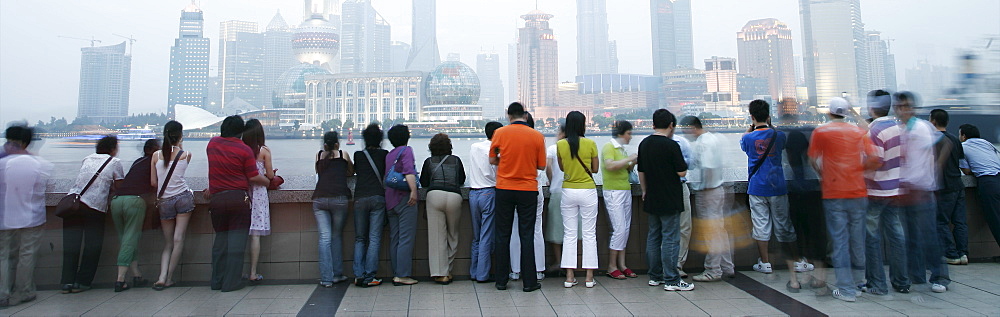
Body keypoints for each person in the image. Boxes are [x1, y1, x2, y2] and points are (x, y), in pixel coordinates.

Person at [808, 97, 879, 302]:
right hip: (858, 191)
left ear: (829, 112)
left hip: (834, 192)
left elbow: (813, 159)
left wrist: (823, 173)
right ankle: (860, 282)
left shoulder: (821, 132)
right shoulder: (858, 132)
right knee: (858, 239)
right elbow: (874, 158)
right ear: (846, 113)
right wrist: (859, 170)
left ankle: (846, 289)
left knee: (839, 241)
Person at [740, 100, 804, 290]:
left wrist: (751, 127)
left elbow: (744, 143)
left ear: (751, 116)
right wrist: (770, 125)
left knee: (761, 225)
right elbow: (780, 143)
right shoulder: (779, 136)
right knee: (784, 224)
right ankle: (796, 260)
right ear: (768, 116)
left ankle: (765, 262)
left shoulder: (748, 138)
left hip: (757, 187)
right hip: (777, 186)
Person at [894, 91, 950, 293]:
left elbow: (946, 144)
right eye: (899, 106)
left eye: (906, 105)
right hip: (905, 192)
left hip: (923, 191)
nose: (903, 109)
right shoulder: (900, 130)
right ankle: (916, 276)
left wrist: (932, 172)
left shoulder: (922, 127)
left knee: (929, 237)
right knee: (910, 238)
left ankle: (940, 277)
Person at [206, 115, 269, 292]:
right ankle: (231, 282)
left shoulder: (212, 144)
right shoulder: (244, 150)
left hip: (217, 200)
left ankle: (217, 280)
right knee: (236, 243)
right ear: (240, 132)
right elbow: (253, 176)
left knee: (220, 242)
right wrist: (267, 181)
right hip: (238, 200)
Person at [490, 102, 546, 292]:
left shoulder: (499, 133)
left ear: (508, 115)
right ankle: (530, 282)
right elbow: (541, 165)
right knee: (527, 235)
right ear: (524, 114)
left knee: (502, 235)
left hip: (504, 188)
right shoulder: (537, 136)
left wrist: (504, 160)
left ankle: (501, 280)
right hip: (528, 189)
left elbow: (492, 159)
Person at [61, 136, 124, 294]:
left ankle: (67, 282)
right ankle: (82, 282)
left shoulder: (87, 158)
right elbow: (120, 187)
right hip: (94, 207)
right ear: (113, 148)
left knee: (71, 246)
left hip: (73, 204)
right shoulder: (114, 162)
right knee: (92, 246)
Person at [861, 90, 910, 295]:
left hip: (876, 191)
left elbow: (875, 160)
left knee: (871, 238)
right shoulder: (901, 129)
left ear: (871, 108)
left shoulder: (873, 132)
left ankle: (877, 284)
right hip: (896, 190)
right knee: (896, 235)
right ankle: (901, 282)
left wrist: (857, 170)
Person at [639, 109, 693, 291]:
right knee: (670, 237)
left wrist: (645, 191)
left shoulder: (644, 144)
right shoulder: (672, 145)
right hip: (670, 196)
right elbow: (682, 172)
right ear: (671, 125)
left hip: (652, 195)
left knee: (653, 236)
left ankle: (655, 276)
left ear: (653, 124)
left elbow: (641, 171)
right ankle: (672, 279)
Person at [0, 125, 52, 307]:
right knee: (27, 254)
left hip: (4, 217)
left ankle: (3, 293)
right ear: (26, 142)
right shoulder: (40, 164)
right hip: (31, 217)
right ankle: (23, 291)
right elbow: (45, 187)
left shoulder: (2, 162)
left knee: (3, 255)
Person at [680, 116, 734, 282]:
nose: (685, 135)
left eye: (685, 130)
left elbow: (708, 167)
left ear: (692, 127)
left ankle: (713, 270)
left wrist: (705, 187)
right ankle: (727, 265)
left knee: (711, 232)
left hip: (709, 191)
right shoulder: (714, 138)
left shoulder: (704, 143)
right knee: (719, 230)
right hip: (718, 190)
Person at [108, 139, 159, 292]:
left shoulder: (138, 161)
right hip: (134, 201)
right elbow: (155, 183)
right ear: (153, 150)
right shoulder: (155, 162)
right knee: (130, 239)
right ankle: (120, 279)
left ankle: (137, 275)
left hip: (117, 201)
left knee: (126, 238)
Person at [556, 111, 600, 288]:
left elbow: (561, 167)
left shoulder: (560, 145)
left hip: (568, 191)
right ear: (583, 125)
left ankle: (569, 276)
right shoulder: (590, 143)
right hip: (587, 191)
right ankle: (589, 277)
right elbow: (595, 169)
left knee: (570, 234)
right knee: (589, 234)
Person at [152, 121, 194, 291]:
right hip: (183, 197)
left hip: (164, 201)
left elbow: (154, 182)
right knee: (179, 239)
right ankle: (170, 277)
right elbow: (179, 158)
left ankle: (161, 277)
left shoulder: (155, 156)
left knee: (168, 243)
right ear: (180, 135)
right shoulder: (186, 155)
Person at [420, 133, 467, 284]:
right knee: (453, 235)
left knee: (436, 237)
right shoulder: (456, 160)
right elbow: (461, 180)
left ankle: (440, 273)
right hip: (454, 196)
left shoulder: (428, 162)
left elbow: (424, 182)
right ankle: (448, 269)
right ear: (449, 146)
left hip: (434, 196)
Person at [510, 112, 546, 282]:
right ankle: (538, 270)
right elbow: (542, 166)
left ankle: (516, 270)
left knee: (515, 230)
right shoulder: (538, 138)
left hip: (514, 188)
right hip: (535, 188)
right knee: (536, 230)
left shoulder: (511, 139)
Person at [314, 131, 353, 287]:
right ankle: (337, 274)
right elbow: (351, 172)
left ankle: (326, 278)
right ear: (338, 143)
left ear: (324, 144)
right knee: (336, 235)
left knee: (324, 238)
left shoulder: (319, 155)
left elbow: (318, 172)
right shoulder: (343, 154)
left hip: (319, 198)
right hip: (339, 198)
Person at [930, 109, 968, 265]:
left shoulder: (934, 140)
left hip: (944, 186)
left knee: (941, 222)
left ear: (932, 121)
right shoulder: (954, 139)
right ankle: (963, 254)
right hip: (958, 184)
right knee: (960, 222)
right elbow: (960, 162)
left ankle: (951, 254)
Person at [601, 120, 638, 280]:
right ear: (621, 134)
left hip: (624, 189)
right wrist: (629, 158)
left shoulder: (621, 149)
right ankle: (612, 265)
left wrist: (631, 162)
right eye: (629, 133)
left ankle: (622, 264)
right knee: (619, 229)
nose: (630, 137)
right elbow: (610, 166)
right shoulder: (609, 147)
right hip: (613, 191)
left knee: (625, 228)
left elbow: (623, 167)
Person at [352, 124, 388, 287]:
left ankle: (358, 274)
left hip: (360, 197)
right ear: (380, 139)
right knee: (374, 238)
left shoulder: (358, 155)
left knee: (360, 238)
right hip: (378, 198)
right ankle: (370, 276)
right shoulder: (384, 155)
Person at [385, 124, 420, 286]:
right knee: (406, 238)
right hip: (404, 199)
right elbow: (408, 172)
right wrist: (413, 190)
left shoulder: (390, 154)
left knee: (395, 238)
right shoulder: (406, 151)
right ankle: (403, 274)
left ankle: (396, 272)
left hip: (390, 200)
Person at [468, 122, 503, 283]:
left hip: (473, 193)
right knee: (486, 235)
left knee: (476, 236)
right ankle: (483, 275)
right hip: (489, 192)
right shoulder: (497, 151)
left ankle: (474, 272)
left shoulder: (474, 147)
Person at [242, 119, 275, 285]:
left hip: (243, 192)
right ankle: (253, 272)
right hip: (259, 194)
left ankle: (238, 270)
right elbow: (269, 175)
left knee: (240, 233)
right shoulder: (264, 151)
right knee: (255, 235)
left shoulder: (241, 150)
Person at [958, 124, 1000, 249]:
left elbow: (966, 171)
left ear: (964, 136)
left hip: (988, 182)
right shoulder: (987, 143)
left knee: (995, 219)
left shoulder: (962, 147)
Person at [544, 126, 566, 274]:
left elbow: (547, 167)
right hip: (573, 190)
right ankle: (571, 263)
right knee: (572, 232)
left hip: (557, 191)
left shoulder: (553, 148)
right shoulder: (577, 146)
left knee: (556, 230)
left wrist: (552, 181)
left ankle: (559, 262)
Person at [673, 130, 693, 278]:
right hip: (674, 186)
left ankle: (677, 264)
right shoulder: (682, 143)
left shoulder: (682, 143)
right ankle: (672, 265)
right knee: (682, 227)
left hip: (677, 186)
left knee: (684, 226)